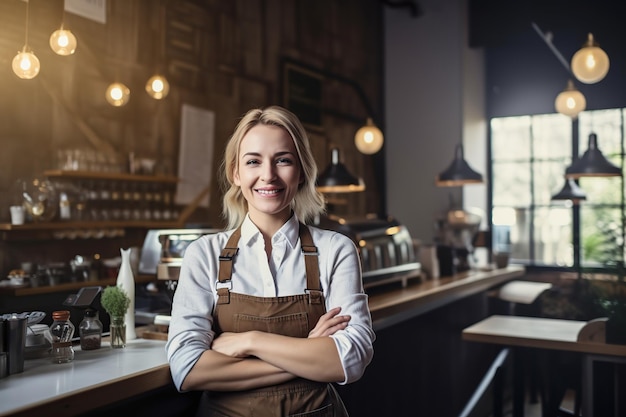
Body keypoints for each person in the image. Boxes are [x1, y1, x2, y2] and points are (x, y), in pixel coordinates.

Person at [166, 105, 375, 416]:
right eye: (253, 161)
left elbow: (351, 360)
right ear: (235, 173)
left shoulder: (336, 250)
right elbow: (188, 369)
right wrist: (309, 351)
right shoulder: (204, 254)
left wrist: (249, 342)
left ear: (301, 170)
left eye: (283, 160)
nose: (268, 175)